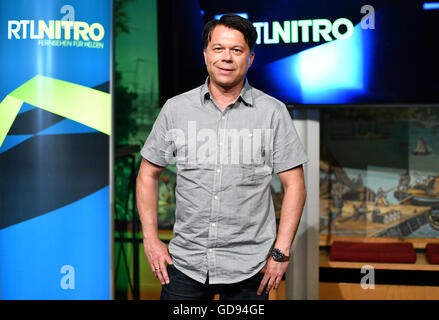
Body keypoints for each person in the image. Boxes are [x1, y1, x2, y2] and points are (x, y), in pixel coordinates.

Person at [136, 14, 307, 300]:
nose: (226, 57)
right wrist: (151, 239)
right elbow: (147, 175)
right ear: (205, 55)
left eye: (236, 50)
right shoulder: (176, 109)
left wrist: (281, 251)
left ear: (250, 58)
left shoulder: (272, 112)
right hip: (185, 266)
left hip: (251, 270)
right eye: (218, 49)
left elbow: (296, 186)